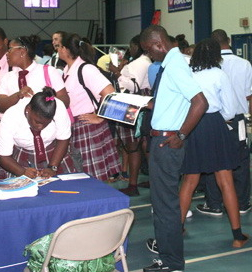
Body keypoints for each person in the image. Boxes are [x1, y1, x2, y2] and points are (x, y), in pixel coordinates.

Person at [140, 25, 208, 272]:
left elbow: (200, 102)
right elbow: (177, 99)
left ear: (159, 44)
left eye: (149, 50)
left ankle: (171, 263)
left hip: (168, 143)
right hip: (163, 140)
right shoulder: (171, 64)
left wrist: (181, 134)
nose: (149, 55)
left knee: (165, 206)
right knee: (163, 204)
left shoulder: (176, 65)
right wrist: (153, 105)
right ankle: (168, 258)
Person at [178, 38, 248, 248]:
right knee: (225, 180)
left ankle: (177, 229)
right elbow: (229, 108)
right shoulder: (220, 74)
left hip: (193, 126)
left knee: (189, 180)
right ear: (216, 55)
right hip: (214, 126)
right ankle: (237, 236)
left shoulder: (190, 74)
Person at [196, 29, 252, 216]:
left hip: (213, 121)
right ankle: (243, 203)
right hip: (237, 119)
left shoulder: (205, 66)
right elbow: (248, 95)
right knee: (241, 161)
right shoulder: (244, 64)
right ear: (229, 40)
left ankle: (214, 204)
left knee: (215, 162)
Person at [58, 32, 120, 181]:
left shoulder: (85, 69)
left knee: (94, 178)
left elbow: (110, 93)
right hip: (74, 127)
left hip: (87, 128)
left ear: (66, 49)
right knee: (79, 177)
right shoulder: (67, 70)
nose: (57, 50)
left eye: (59, 46)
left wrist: (100, 116)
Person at [0, 87, 75, 178]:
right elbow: (3, 156)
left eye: (47, 123)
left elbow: (63, 139)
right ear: (28, 109)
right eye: (37, 122)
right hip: (21, 159)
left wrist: (52, 167)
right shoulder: (11, 117)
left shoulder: (58, 108)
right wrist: (23, 171)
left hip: (54, 154)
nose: (40, 127)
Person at [108, 34, 152, 196]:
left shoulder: (140, 63)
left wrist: (116, 73)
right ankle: (148, 180)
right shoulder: (143, 63)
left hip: (134, 104)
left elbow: (134, 86)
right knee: (143, 144)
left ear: (137, 46)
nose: (129, 49)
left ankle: (133, 185)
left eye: (131, 46)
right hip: (142, 104)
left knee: (133, 146)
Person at [0, 34, 70, 113]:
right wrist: (17, 95)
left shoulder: (49, 72)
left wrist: (43, 101)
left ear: (22, 52)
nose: (7, 53)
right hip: (15, 124)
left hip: (45, 124)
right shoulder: (7, 77)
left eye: (10, 49)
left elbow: (65, 101)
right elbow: (0, 106)